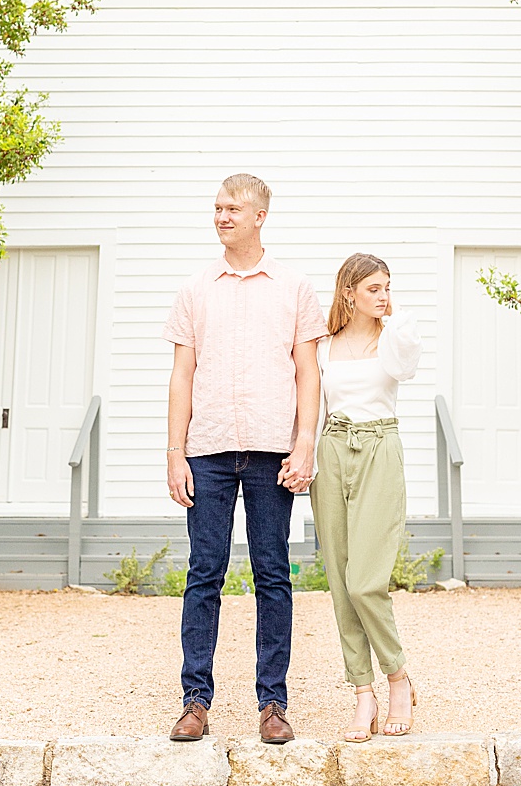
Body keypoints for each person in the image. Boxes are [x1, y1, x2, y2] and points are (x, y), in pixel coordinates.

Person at [163, 174, 326, 745]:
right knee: (203, 574)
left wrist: (305, 441)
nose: (221, 216)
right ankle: (194, 700)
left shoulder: (294, 287)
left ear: (259, 216)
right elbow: (182, 375)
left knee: (272, 576)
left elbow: (308, 371)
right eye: (216, 208)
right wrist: (175, 452)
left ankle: (273, 704)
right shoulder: (195, 288)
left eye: (232, 208)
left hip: (270, 451)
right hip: (206, 451)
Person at [313, 252, 422, 741]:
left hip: (379, 446)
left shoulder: (392, 336)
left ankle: (397, 677)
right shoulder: (322, 345)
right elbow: (313, 407)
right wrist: (306, 460)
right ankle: (363, 694)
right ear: (348, 292)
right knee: (340, 581)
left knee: (366, 582)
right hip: (332, 449)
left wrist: (393, 317)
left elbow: (407, 369)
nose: (383, 296)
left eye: (387, 287)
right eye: (374, 289)